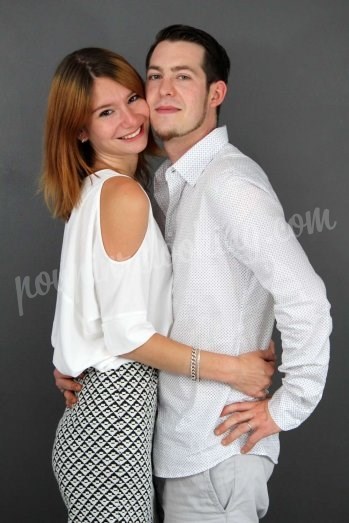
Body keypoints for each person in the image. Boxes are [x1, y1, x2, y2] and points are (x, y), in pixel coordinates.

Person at [56, 25, 332, 522]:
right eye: (155, 77)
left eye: (182, 77)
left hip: (215, 449)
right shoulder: (165, 185)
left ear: (215, 94)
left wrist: (287, 406)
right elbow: (120, 311)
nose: (162, 92)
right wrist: (81, 355)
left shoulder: (229, 182)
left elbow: (306, 298)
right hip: (164, 445)